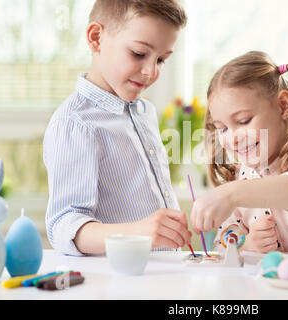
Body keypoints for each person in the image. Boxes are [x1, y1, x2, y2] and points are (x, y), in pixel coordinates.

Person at [43, 0, 191, 256]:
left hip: (165, 275)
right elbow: (64, 225)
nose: (150, 71)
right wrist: (138, 232)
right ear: (96, 38)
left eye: (161, 60)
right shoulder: (76, 123)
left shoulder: (145, 111)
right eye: (138, 53)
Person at [190, 51, 288, 253]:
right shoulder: (238, 178)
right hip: (264, 284)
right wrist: (246, 245)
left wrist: (232, 194)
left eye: (243, 121)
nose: (233, 138)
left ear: (283, 106)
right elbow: (224, 246)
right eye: (222, 128)